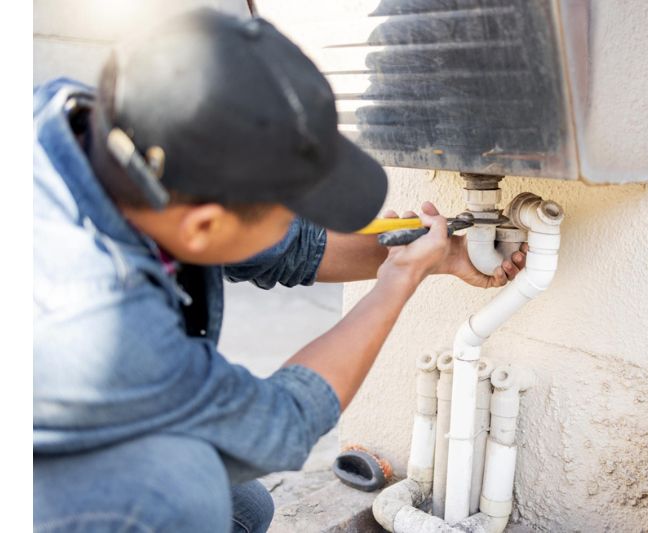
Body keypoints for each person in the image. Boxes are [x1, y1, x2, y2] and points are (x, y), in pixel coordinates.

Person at [33, 8, 527, 532]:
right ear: (203, 225)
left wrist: (438, 257)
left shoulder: (103, 133)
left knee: (243, 508)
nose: (303, 219)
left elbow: (281, 247)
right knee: (181, 496)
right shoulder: (86, 317)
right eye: (290, 207)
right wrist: (395, 285)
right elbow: (274, 426)